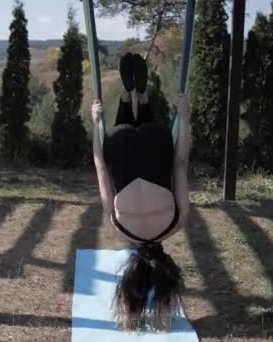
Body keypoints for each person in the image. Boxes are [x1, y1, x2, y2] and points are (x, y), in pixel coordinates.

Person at [91, 52, 190, 331]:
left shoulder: (177, 223)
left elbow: (181, 163)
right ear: (133, 268)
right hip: (120, 144)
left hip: (156, 143)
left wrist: (184, 117)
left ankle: (142, 97)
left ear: (166, 262)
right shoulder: (119, 229)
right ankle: (126, 96)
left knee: (151, 145)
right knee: (122, 149)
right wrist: (96, 122)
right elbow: (100, 166)